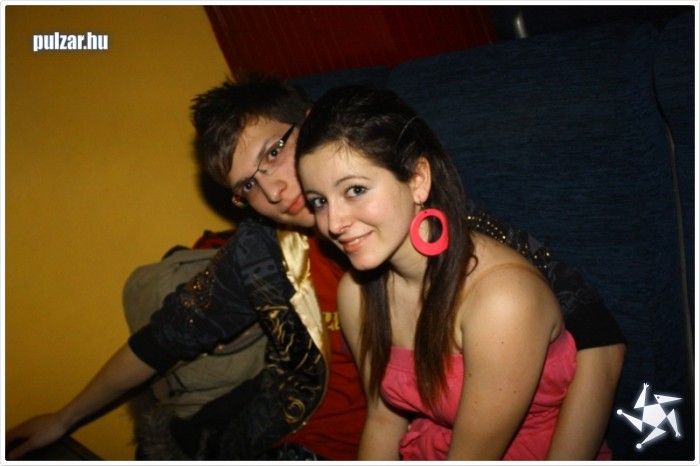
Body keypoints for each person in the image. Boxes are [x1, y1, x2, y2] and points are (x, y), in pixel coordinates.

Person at [6, 75, 624, 461]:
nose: (275, 189)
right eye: (247, 186)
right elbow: (168, 334)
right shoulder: (261, 255)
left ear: (312, 123)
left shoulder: (428, 217)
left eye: (276, 152)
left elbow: (595, 335)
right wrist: (65, 417)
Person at [295, 84, 622, 460]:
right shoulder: (356, 293)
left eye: (355, 190)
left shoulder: (501, 300)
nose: (333, 223)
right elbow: (383, 420)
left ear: (418, 179)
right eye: (319, 201)